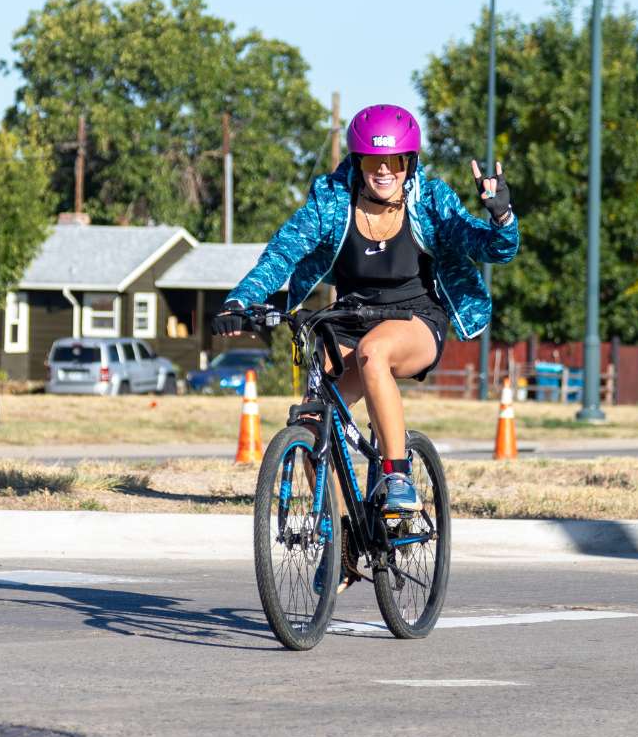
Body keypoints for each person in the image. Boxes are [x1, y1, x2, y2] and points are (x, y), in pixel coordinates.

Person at [213, 103, 518, 512]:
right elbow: (282, 254)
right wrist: (242, 298)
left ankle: (397, 475)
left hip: (415, 319)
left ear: (409, 162)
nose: (384, 170)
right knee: (312, 426)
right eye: (373, 160)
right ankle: (343, 542)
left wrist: (501, 217)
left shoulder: (430, 200)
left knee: (374, 353)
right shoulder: (332, 201)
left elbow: (490, 248)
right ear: (358, 162)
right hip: (347, 319)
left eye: (394, 160)